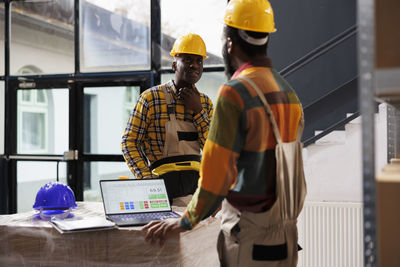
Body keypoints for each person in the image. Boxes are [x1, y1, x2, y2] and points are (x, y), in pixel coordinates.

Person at [143, 0, 307, 266]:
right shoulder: (286, 91)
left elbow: (216, 176)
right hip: (287, 236)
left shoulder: (236, 93)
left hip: (249, 237)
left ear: (229, 44)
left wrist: (184, 222)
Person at [121, 33, 213, 206]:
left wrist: (198, 110)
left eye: (199, 61)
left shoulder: (205, 104)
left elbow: (212, 150)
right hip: (161, 192)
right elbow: (129, 142)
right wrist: (148, 181)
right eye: (187, 60)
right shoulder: (151, 98)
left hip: (197, 194)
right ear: (174, 65)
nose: (194, 65)